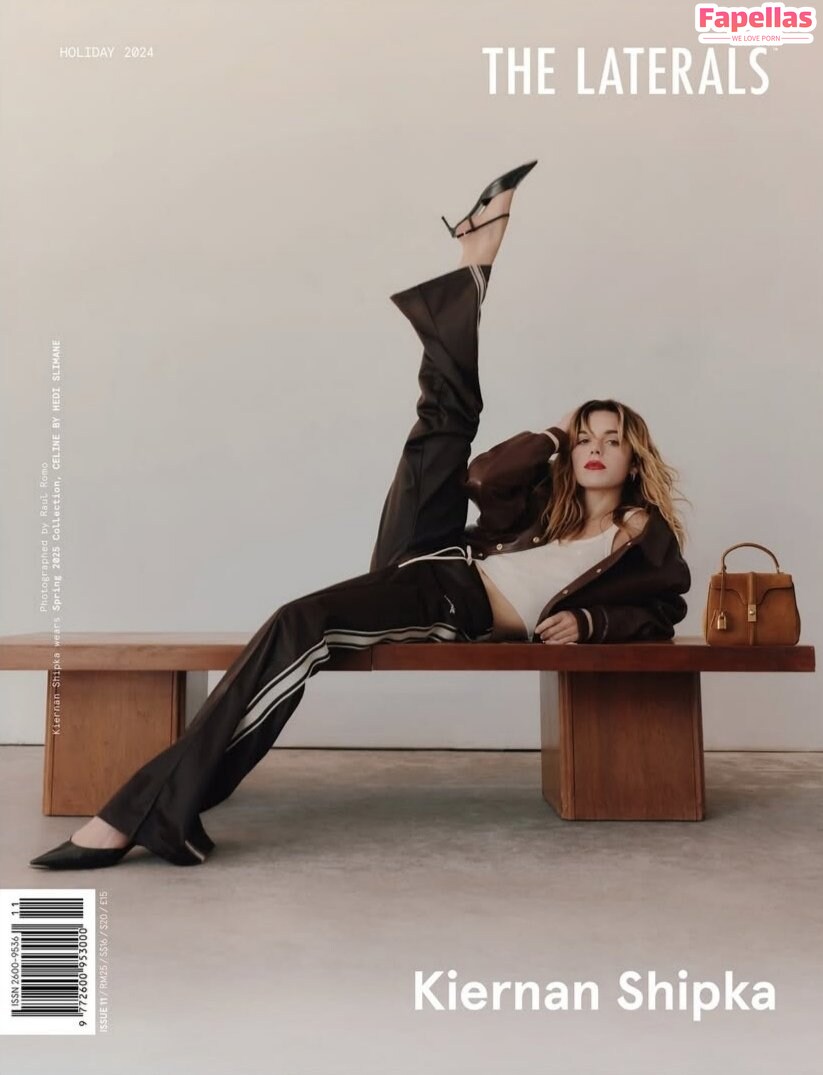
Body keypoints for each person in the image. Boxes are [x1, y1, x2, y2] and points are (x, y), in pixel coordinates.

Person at [30, 160, 691, 871]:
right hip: (436, 553)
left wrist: (591, 622)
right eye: (586, 437)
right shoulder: (546, 507)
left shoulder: (640, 536)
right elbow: (481, 477)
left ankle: (145, 812)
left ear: (635, 457)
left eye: (611, 439)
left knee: (298, 626)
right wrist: (554, 436)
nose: (595, 449)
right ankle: (475, 263)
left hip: (452, 601)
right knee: (443, 425)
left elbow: (664, 608)